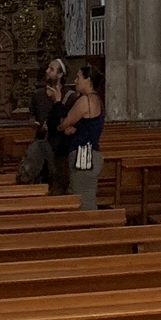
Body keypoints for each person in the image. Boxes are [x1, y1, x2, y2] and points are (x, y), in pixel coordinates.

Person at [57, 61, 104, 209]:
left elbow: (63, 125)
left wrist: (58, 103)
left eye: (78, 77)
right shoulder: (97, 100)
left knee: (83, 202)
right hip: (93, 153)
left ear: (88, 80)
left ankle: (90, 231)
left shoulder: (85, 101)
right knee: (84, 199)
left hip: (83, 154)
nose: (75, 81)